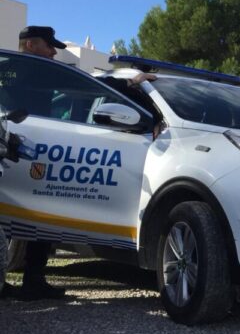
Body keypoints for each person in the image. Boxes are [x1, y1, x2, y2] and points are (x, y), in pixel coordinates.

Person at [1, 26, 156, 300]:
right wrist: (129, 83)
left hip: (21, 144)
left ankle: (28, 281)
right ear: (32, 45)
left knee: (27, 212)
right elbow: (81, 84)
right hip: (19, 147)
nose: (53, 53)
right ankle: (32, 280)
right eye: (50, 47)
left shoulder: (10, 70)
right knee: (36, 210)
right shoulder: (34, 69)